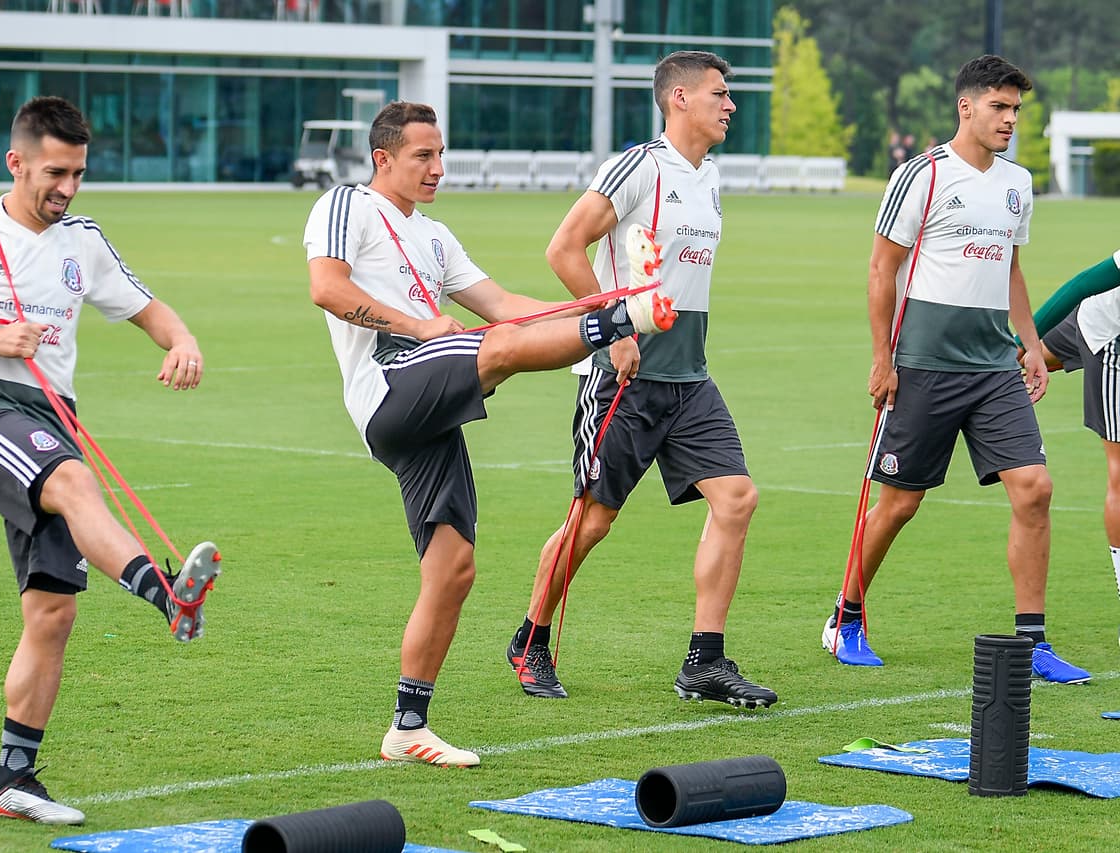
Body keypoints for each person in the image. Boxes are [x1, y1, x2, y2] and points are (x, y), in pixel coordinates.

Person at [0, 96, 222, 825]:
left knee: (53, 611)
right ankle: (170, 596)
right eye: (55, 172)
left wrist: (183, 341)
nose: (67, 187)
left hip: (54, 418)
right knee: (73, 482)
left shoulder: (83, 241)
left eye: (78, 173)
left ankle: (15, 778)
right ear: (17, 162)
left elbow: (148, 309)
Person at [303, 100, 674, 766]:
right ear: (383, 158)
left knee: (453, 569)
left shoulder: (437, 237)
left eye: (441, 154)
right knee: (497, 346)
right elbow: (326, 288)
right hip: (387, 387)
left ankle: (407, 726)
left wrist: (600, 303)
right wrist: (421, 324)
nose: (438, 167)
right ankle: (627, 322)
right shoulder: (346, 205)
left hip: (430, 402)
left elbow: (508, 306)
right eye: (423, 155)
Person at [503, 50, 777, 710]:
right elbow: (563, 249)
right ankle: (531, 638)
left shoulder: (709, 178)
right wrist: (616, 330)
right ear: (678, 98)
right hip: (622, 378)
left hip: (689, 377)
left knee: (736, 498)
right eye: (719, 93)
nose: (730, 104)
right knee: (592, 522)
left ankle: (704, 662)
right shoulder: (639, 168)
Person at [819, 55, 1089, 684]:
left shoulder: (1017, 183)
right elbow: (881, 268)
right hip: (923, 366)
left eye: (1016, 109)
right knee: (899, 504)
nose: (1009, 120)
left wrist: (1030, 344)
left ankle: (1032, 642)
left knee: (1036, 489)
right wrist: (884, 358)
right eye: (999, 107)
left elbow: (1012, 271)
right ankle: (847, 616)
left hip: (995, 367)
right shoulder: (922, 176)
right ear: (966, 107)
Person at [1030, 251, 1120, 642]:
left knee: (1014, 363)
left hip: (1094, 322)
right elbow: (1084, 285)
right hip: (1112, 337)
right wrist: (1024, 339)